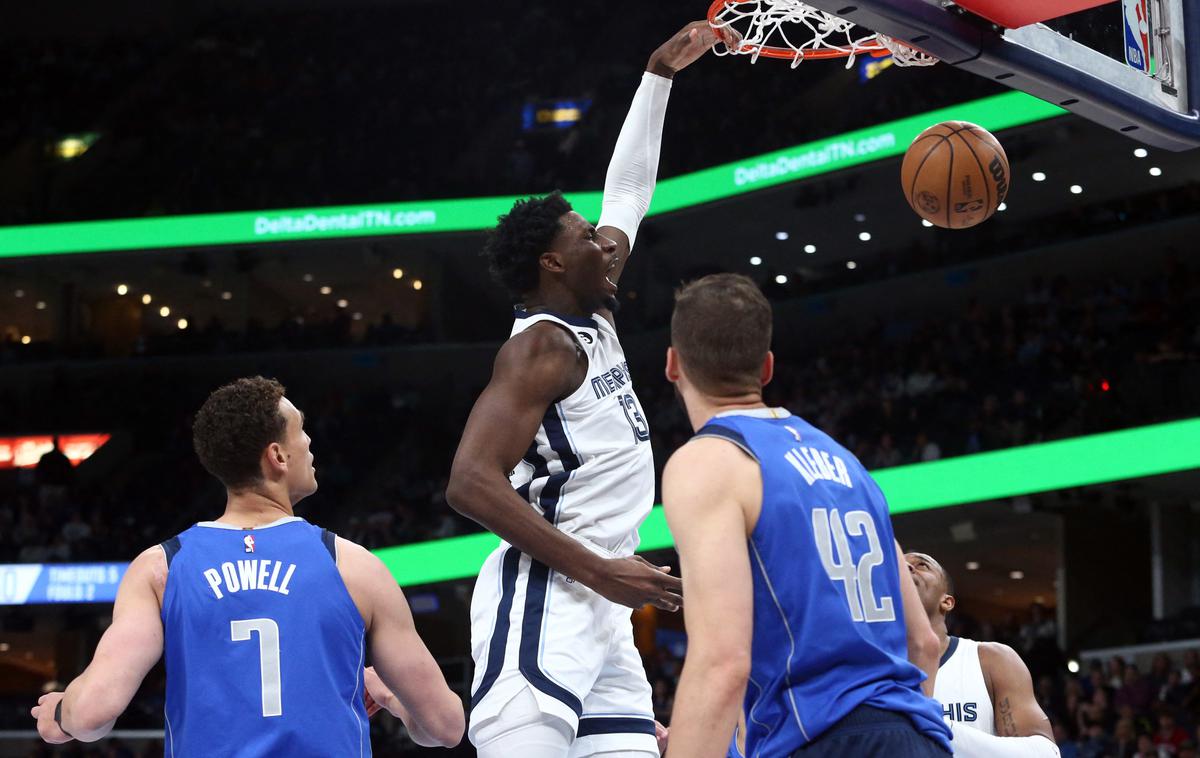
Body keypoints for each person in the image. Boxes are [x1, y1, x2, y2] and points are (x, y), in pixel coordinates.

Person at [444, 20, 717, 758]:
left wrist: (658, 75)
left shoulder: (592, 304)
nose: (604, 241)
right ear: (552, 266)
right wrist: (597, 569)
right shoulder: (540, 346)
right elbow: (469, 482)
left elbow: (628, 191)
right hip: (547, 593)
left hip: (603, 602)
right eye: (585, 239)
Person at [31, 376, 463, 754]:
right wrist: (389, 696)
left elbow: (93, 714)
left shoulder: (161, 568)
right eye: (301, 431)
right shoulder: (353, 565)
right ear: (277, 455)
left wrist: (62, 712)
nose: (310, 442)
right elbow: (445, 727)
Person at [660, 273, 950, 758]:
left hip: (820, 738)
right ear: (767, 367)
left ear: (672, 364)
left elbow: (723, 663)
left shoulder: (708, 460)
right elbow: (922, 642)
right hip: (916, 737)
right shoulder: (848, 465)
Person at [905, 551, 1059, 756]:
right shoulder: (866, 669)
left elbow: (1045, 754)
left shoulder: (990, 659)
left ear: (947, 601)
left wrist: (937, 725)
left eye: (921, 565)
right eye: (899, 567)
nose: (906, 568)